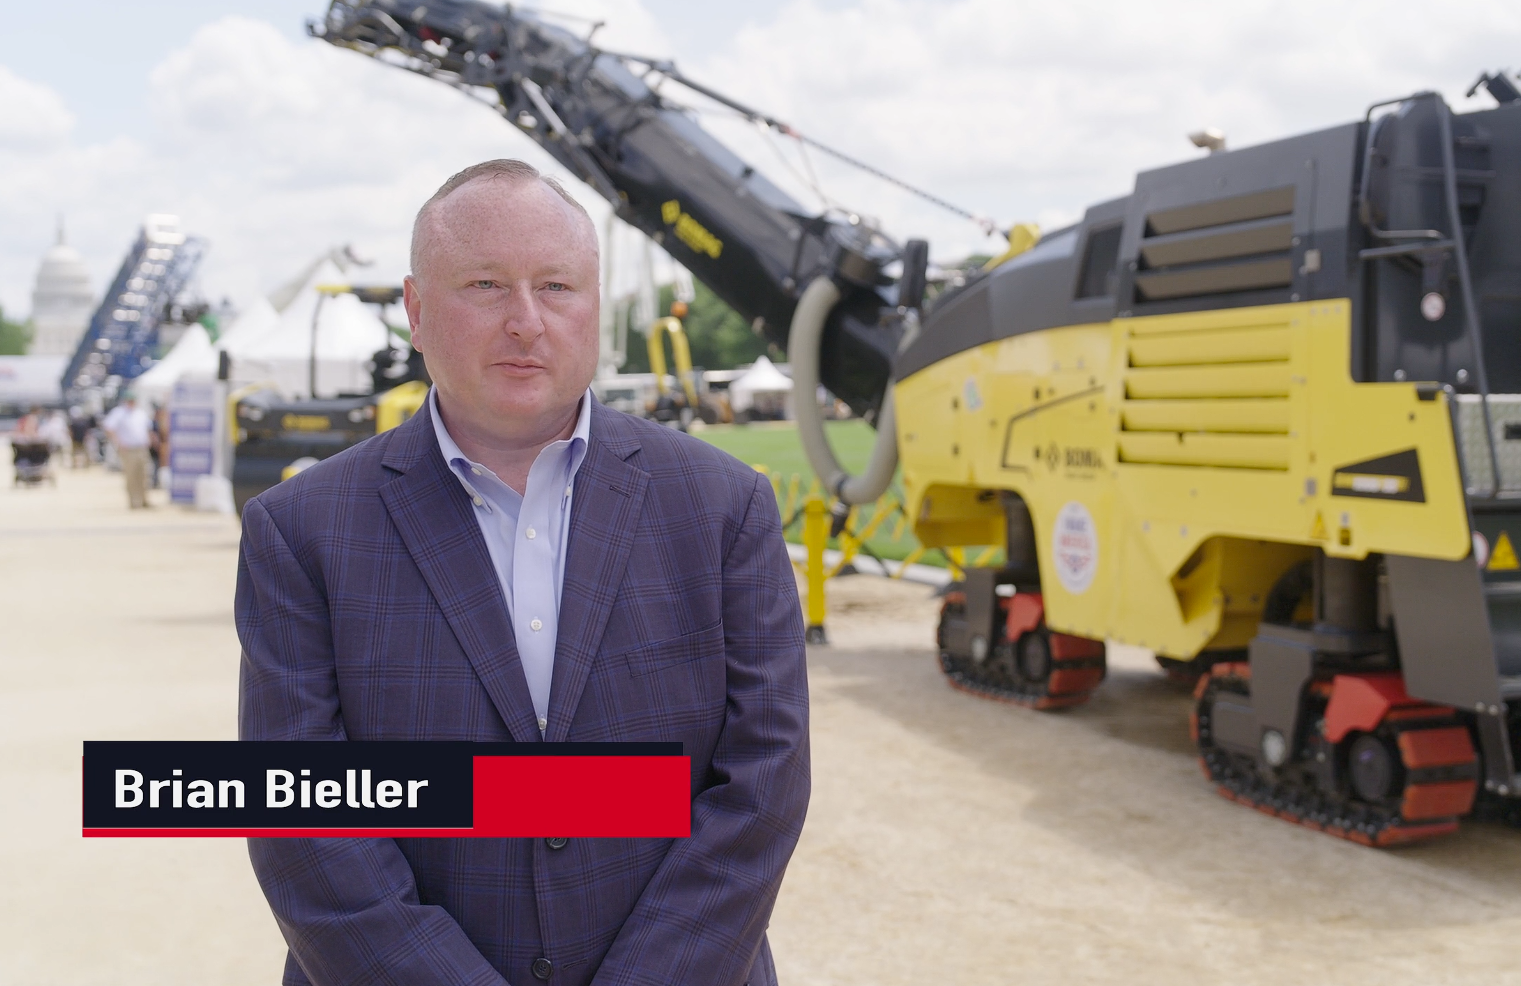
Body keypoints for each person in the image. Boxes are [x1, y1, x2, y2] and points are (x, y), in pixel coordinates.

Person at [237, 159, 810, 986]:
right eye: (484, 285)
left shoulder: (724, 508)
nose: (526, 321)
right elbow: (303, 818)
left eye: (556, 287)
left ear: (595, 307)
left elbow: (762, 783)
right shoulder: (300, 531)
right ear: (417, 311)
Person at [102, 394, 154, 508]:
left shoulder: (140, 413)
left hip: (141, 448)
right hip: (128, 449)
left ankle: (144, 499)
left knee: (144, 475)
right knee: (131, 476)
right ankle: (134, 501)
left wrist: (150, 440)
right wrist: (118, 442)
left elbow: (148, 428)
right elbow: (109, 427)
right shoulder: (119, 413)